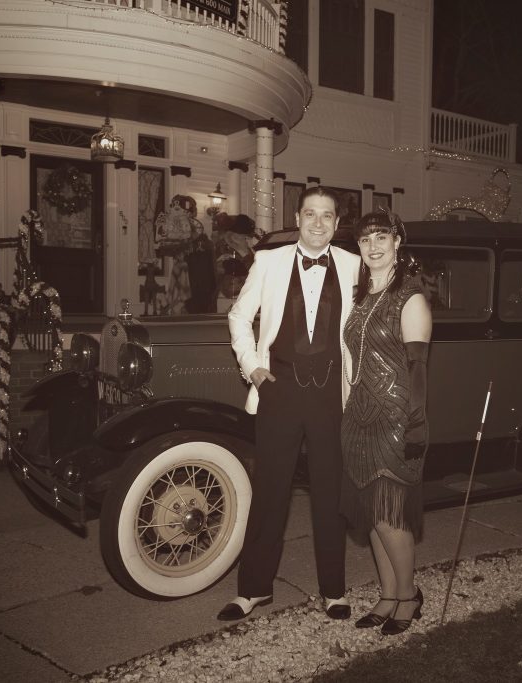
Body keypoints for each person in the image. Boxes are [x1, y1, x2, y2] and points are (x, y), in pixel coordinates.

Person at [218, 186, 361, 621]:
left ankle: (333, 589)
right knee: (270, 492)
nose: (318, 223)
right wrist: (252, 367)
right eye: (310, 214)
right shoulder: (269, 261)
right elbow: (239, 316)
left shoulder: (356, 267)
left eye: (327, 216)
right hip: (278, 390)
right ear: (297, 218)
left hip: (331, 396)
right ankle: (254, 589)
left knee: (330, 493)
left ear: (337, 224)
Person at [340, 209, 432, 636]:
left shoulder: (410, 297)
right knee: (370, 510)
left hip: (395, 418)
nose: (373, 246)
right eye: (365, 240)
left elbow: (417, 367)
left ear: (398, 242)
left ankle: (409, 595)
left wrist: (417, 423)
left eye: (382, 237)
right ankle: (388, 593)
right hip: (357, 416)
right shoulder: (360, 297)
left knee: (389, 512)